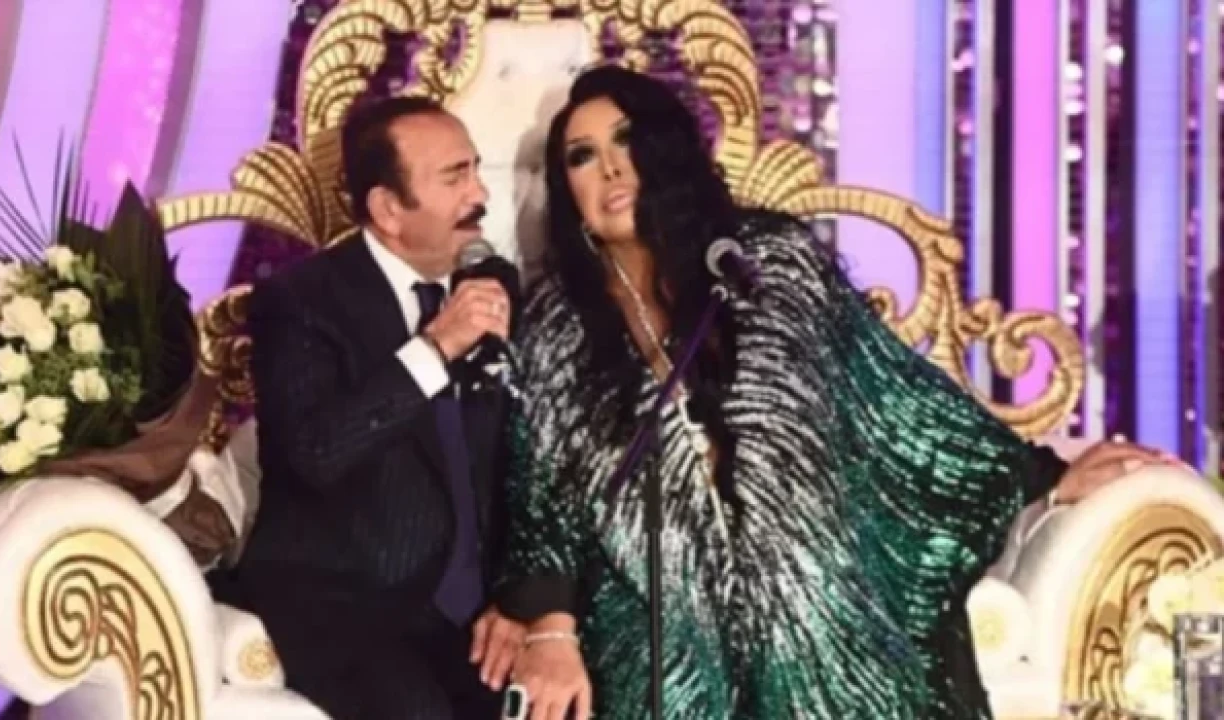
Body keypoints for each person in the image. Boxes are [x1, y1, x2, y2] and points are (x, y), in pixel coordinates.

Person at [496, 65, 1173, 720]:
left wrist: (1042, 477)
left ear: (664, 152)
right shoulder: (558, 325)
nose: (611, 169)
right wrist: (551, 628)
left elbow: (894, 402)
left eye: (626, 141)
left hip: (809, 604)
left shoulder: (766, 262)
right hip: (652, 623)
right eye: (583, 156)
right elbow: (540, 500)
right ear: (567, 189)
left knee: (828, 648)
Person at [233, 93, 524, 719]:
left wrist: (524, 600)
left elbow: (521, 459)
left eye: (476, 169)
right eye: (455, 177)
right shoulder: (301, 301)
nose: (480, 194)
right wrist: (435, 349)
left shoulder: (494, 285)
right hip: (343, 604)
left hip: (467, 613)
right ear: (389, 209)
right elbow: (315, 452)